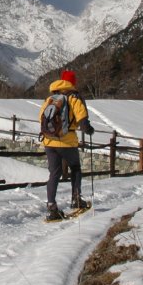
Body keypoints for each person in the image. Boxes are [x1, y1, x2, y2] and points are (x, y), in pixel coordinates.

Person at [39, 69, 93, 220]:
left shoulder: (50, 99)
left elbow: (40, 118)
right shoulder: (74, 98)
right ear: (72, 82)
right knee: (75, 168)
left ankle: (51, 207)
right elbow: (82, 120)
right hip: (67, 141)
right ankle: (76, 199)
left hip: (49, 141)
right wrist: (88, 129)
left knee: (54, 173)